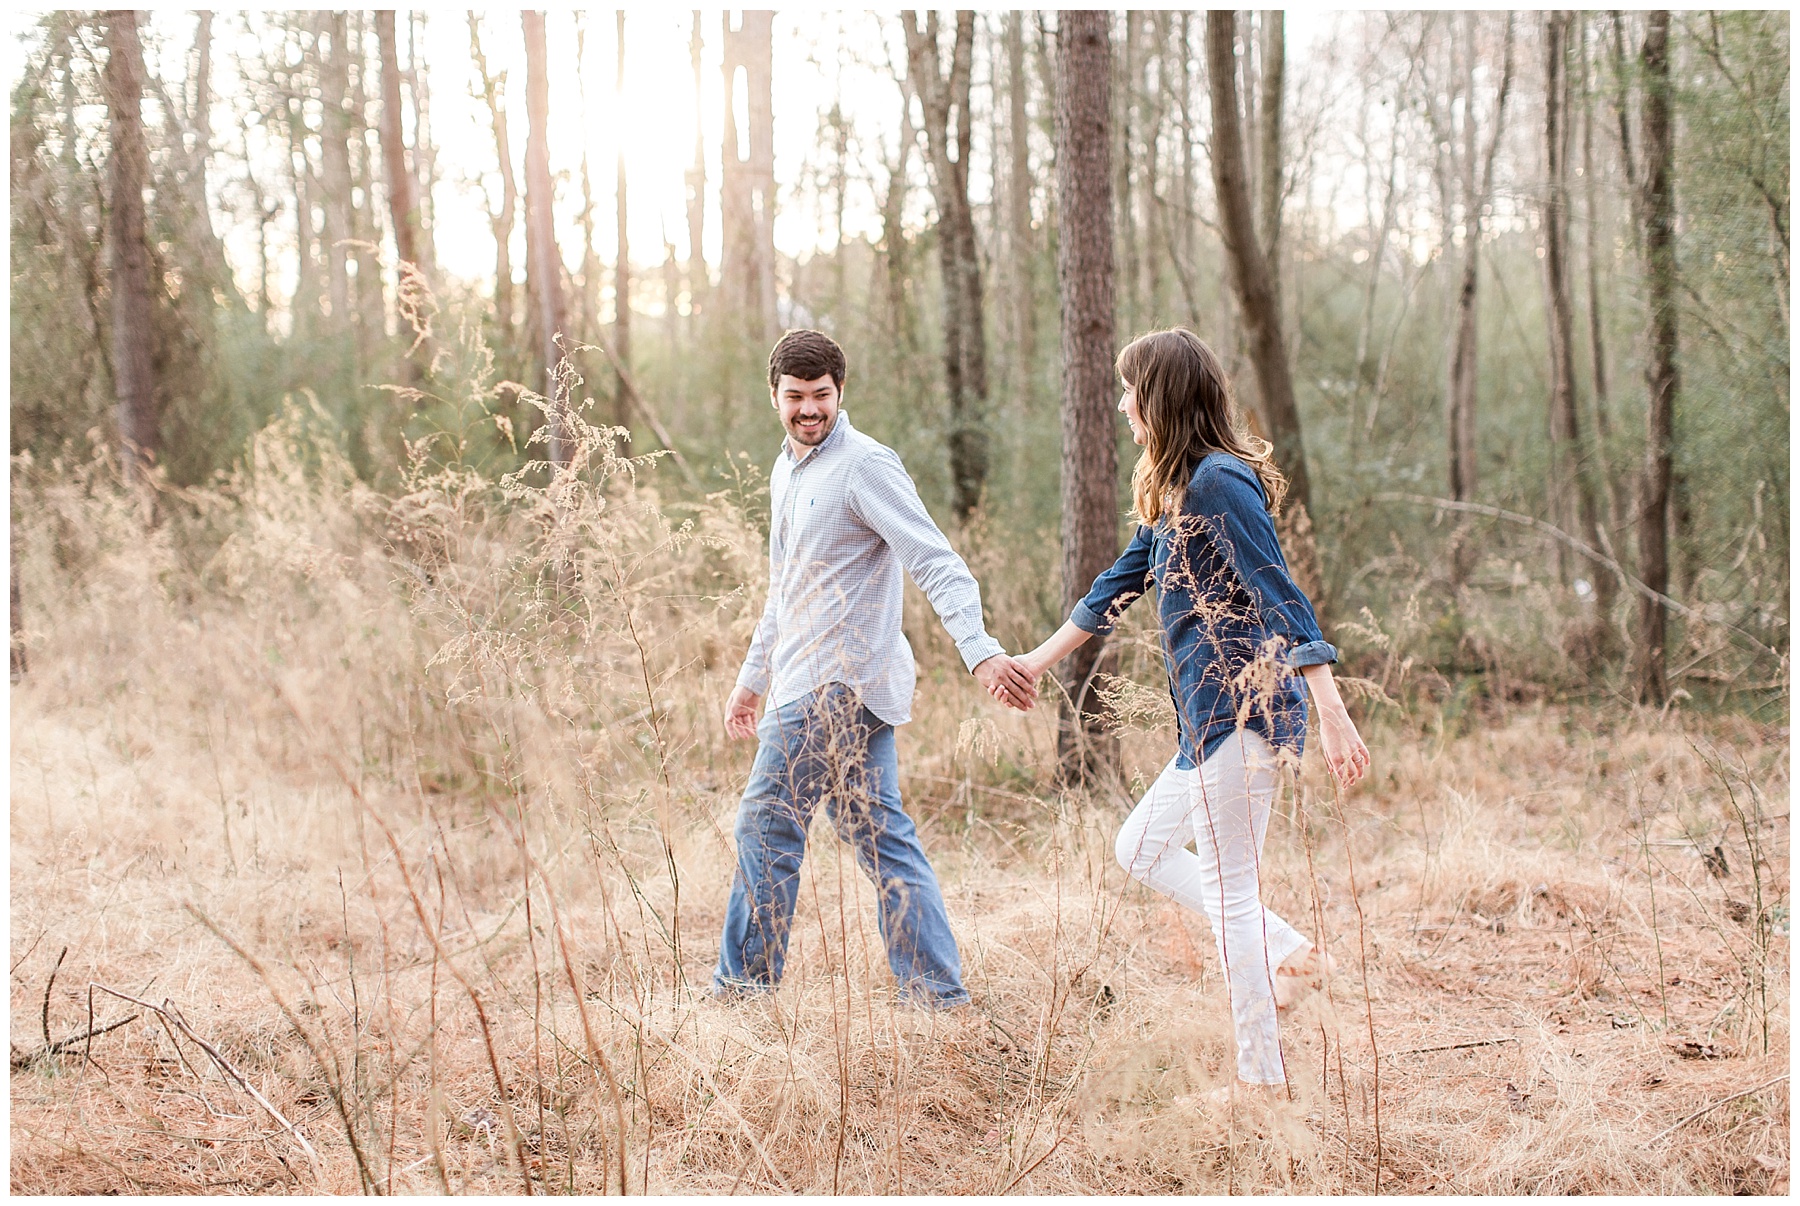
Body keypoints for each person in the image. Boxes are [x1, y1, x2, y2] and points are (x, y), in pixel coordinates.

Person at [1010, 328, 1369, 1096]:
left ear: (1161, 398)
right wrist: (1033, 664)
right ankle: (1297, 955)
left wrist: (1329, 706)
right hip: (1206, 726)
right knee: (1138, 848)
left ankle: (1260, 1083)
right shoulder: (1179, 494)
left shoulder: (1217, 484)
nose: (1120, 404)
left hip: (1247, 718)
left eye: (1131, 390)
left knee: (1232, 897)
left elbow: (1282, 595)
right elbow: (1116, 585)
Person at [715, 329, 1038, 1008]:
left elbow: (934, 560)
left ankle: (742, 993)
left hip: (839, 682)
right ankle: (936, 995)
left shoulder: (865, 465)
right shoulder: (788, 469)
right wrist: (751, 679)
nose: (810, 410)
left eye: (822, 396)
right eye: (796, 397)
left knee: (764, 825)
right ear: (774, 395)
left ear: (841, 392)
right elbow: (785, 587)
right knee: (880, 836)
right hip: (810, 678)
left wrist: (978, 649)